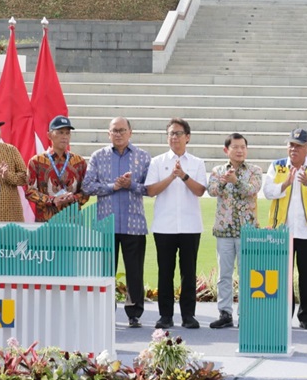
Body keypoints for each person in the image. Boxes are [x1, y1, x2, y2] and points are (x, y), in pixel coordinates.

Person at [84, 117, 152, 328]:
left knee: (135, 271)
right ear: (108, 133)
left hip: (134, 222)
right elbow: (87, 187)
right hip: (106, 224)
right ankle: (105, 311)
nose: (119, 134)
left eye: (122, 130)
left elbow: (150, 189)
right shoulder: (98, 156)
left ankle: (134, 314)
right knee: (106, 271)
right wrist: (113, 186)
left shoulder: (142, 157)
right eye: (115, 131)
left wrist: (131, 185)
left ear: (130, 132)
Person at [263, 128, 307, 330]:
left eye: (298, 146)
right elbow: (267, 192)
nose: (293, 149)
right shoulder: (277, 167)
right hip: (282, 231)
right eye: (291, 144)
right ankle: (284, 316)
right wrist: (285, 184)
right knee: (283, 276)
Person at [145, 118, 207, 329]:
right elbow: (151, 190)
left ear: (187, 137)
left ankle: (188, 315)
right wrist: (171, 176)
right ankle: (165, 316)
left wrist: (184, 175)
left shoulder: (197, 163)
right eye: (171, 133)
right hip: (164, 226)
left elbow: (200, 190)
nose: (174, 137)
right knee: (165, 272)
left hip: (190, 226)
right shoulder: (157, 161)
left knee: (188, 272)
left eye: (178, 133)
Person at [205, 133, 262, 329]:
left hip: (247, 231)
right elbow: (211, 191)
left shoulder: (254, 170)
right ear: (226, 150)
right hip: (224, 231)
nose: (239, 151)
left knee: (247, 274)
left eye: (243, 147)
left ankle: (246, 313)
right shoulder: (218, 170)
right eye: (235, 147)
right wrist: (225, 181)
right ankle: (225, 313)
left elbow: (253, 190)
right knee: (224, 275)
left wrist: (236, 181)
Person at [26, 114, 89, 222]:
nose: (64, 136)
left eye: (67, 133)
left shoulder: (79, 162)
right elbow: (30, 192)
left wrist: (73, 198)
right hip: (46, 220)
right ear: (49, 135)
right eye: (60, 132)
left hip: (73, 219)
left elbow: (87, 191)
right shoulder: (37, 161)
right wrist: (52, 200)